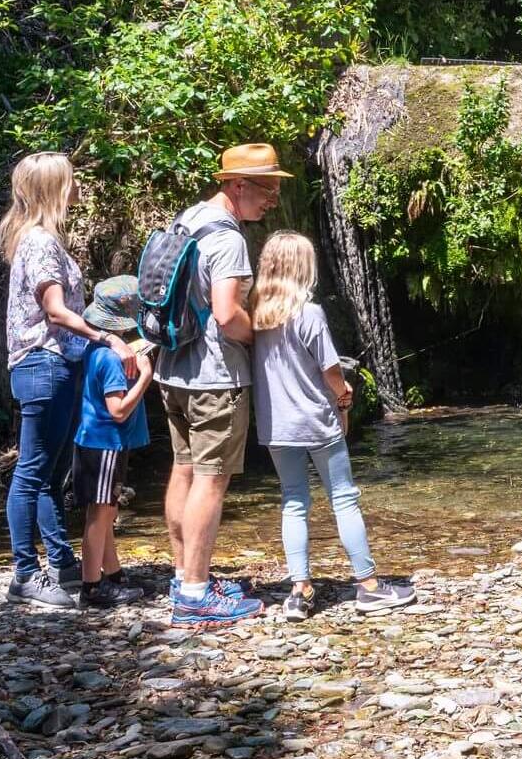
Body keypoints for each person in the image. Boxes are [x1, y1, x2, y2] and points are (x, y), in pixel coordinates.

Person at [156, 143, 288, 626]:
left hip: (173, 370)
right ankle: (195, 595)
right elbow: (227, 313)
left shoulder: (188, 218)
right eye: (267, 188)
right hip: (215, 378)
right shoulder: (229, 239)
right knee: (211, 482)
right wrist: (264, 340)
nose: (272, 198)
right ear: (236, 185)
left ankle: (183, 574)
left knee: (184, 471)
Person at [251, 232, 415, 619]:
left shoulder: (256, 316)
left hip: (276, 426)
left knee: (293, 501)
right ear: (302, 269)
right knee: (343, 497)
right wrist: (345, 397)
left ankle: (300, 590)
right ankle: (368, 586)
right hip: (316, 420)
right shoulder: (310, 314)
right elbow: (331, 372)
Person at [0, 151, 123, 610]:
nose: (77, 189)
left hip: (47, 365)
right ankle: (26, 575)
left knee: (49, 471)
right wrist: (106, 337)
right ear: (54, 188)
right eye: (70, 182)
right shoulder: (40, 243)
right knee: (32, 471)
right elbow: (55, 310)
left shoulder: (38, 239)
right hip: (44, 363)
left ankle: (61, 560)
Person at [67, 276, 156, 610]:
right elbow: (117, 410)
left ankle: (113, 575)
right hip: (105, 443)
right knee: (100, 515)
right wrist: (145, 378)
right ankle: (91, 588)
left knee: (105, 512)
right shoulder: (111, 359)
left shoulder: (97, 348)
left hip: (95, 441)